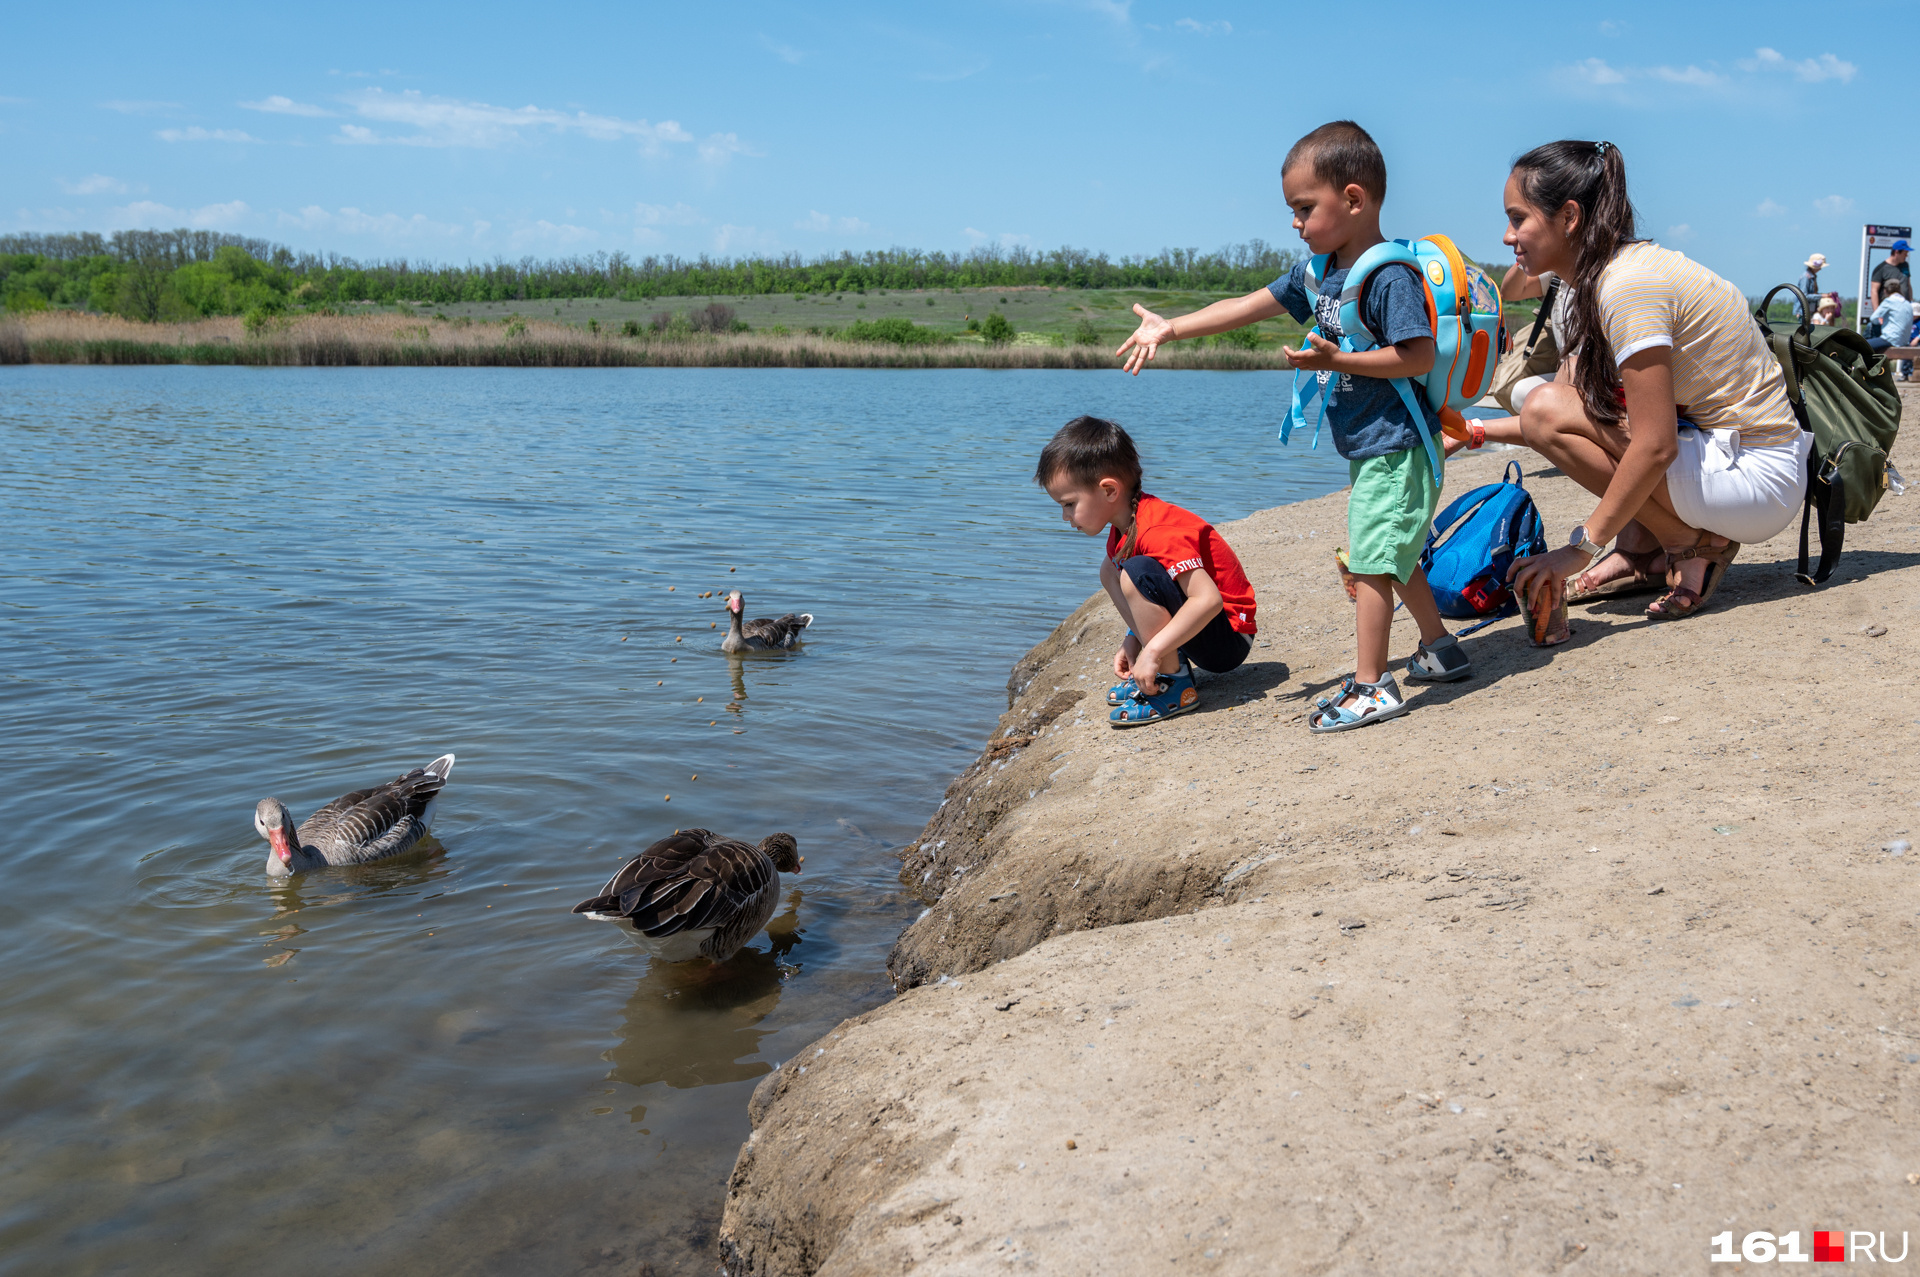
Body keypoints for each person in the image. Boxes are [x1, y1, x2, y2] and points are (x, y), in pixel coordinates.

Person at [1113, 119, 1468, 731]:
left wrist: (1337, 360)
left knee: (1372, 561)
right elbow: (1247, 305)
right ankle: (1440, 649)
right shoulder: (1322, 272)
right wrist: (1172, 328)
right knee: (1395, 553)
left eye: (1305, 208)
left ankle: (1371, 686)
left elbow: (1416, 355)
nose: (1296, 223)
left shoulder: (1388, 275)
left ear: (1353, 199)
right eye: (1293, 211)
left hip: (1401, 444)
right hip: (1372, 447)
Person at [1502, 139, 1811, 623]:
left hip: (1759, 474)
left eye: (1518, 218)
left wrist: (1579, 549)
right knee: (1555, 406)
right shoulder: (1617, 271)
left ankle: (1688, 545)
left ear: (1568, 217)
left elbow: (1655, 444)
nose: (1507, 235)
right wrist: (1472, 432)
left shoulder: (1628, 286)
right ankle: (1648, 549)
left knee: (1545, 410)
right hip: (1734, 452)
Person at [1035, 416, 1257, 728]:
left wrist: (1152, 650)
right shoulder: (1123, 529)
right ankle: (1170, 664)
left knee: (1134, 571)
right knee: (1110, 570)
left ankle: (1174, 683)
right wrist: (1134, 639)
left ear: (1109, 490)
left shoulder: (1159, 529)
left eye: (1069, 504)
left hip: (1229, 639)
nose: (1064, 516)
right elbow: (1159, 591)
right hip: (1205, 630)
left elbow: (1208, 600)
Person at [1871, 240, 1911, 308]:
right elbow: (1874, 291)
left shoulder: (1905, 265)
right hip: (1888, 309)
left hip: (1904, 308)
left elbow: (1908, 285)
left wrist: (1910, 302)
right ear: (1897, 252)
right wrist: (1877, 312)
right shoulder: (1881, 269)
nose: (1906, 255)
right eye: (1905, 253)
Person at [1795, 253, 1826, 320]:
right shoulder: (1806, 277)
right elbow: (1804, 296)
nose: (1820, 269)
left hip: (1809, 312)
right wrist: (1821, 296)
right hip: (1803, 312)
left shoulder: (1812, 277)